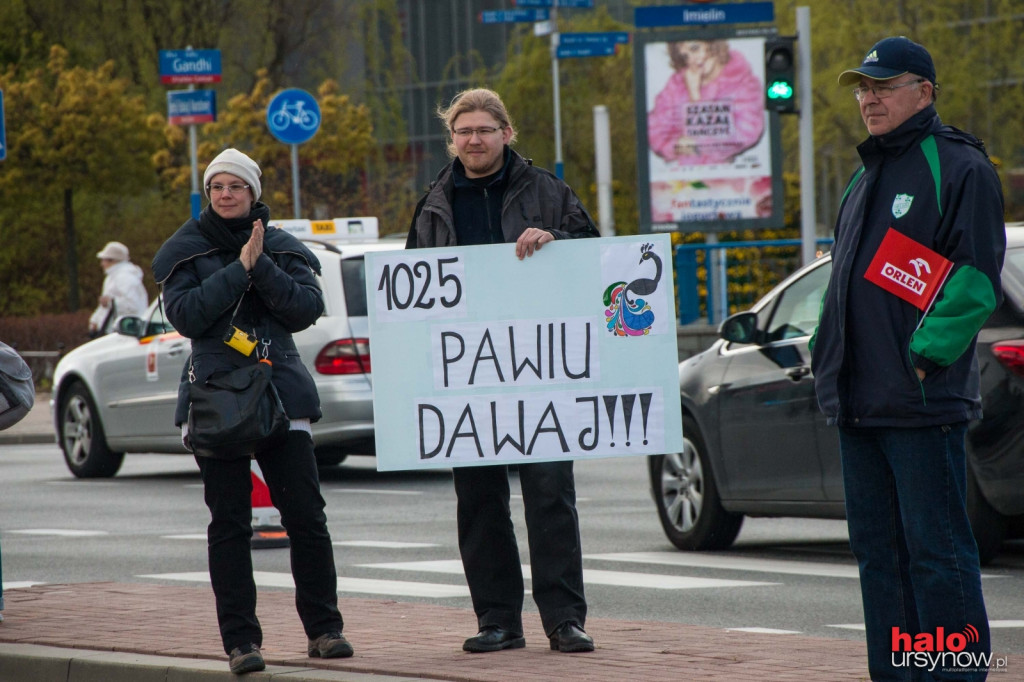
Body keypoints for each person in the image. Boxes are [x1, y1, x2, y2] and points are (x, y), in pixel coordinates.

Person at [811, 37, 1004, 681]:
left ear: (924, 92)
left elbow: (975, 282)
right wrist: (825, 352)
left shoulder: (959, 167)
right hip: (859, 404)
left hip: (921, 405)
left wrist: (922, 360)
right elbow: (844, 281)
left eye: (883, 86)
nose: (868, 98)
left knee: (937, 554)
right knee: (880, 555)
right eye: (863, 87)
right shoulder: (864, 176)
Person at [406, 88, 600, 654]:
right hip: (467, 375)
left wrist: (556, 241)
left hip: (539, 368)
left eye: (485, 130)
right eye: (463, 130)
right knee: (479, 501)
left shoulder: (547, 191)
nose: (474, 139)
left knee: (550, 494)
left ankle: (564, 619)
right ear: (452, 139)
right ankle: (497, 620)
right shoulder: (434, 202)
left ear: (506, 134)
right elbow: (413, 292)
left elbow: (592, 252)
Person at [151, 148, 352, 675]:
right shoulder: (185, 250)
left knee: (307, 518)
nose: (225, 194)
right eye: (217, 186)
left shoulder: (282, 247)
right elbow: (189, 315)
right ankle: (241, 642)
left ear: (253, 193)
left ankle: (325, 631)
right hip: (217, 396)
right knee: (230, 524)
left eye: (235, 186)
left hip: (282, 394)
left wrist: (259, 263)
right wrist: (237, 270)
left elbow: (305, 310)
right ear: (208, 193)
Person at [647, 39, 764, 165]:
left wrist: (696, 99)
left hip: (725, 177)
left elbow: (746, 133)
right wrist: (676, 146)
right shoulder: (677, 84)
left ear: (713, 45)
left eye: (695, 48)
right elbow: (655, 131)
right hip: (679, 177)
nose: (693, 59)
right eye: (685, 55)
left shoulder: (743, 82)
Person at [88, 241, 149, 337]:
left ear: (113, 260)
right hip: (113, 330)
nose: (101, 264)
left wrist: (109, 302)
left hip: (125, 332)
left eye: (104, 260)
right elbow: (106, 306)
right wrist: (95, 320)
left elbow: (133, 305)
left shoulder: (125, 277)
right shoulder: (112, 277)